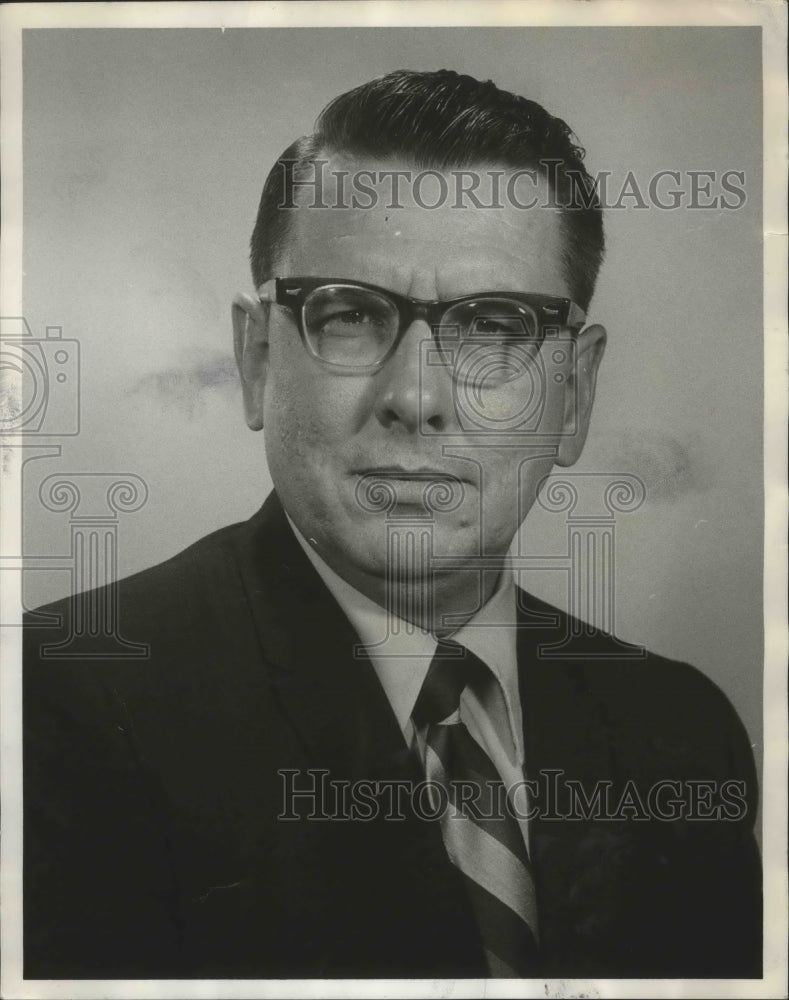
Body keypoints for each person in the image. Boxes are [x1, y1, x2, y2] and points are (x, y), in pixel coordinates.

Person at [24, 69, 761, 980]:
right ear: (258, 361)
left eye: (494, 327)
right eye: (350, 316)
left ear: (573, 394)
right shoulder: (54, 709)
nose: (415, 397)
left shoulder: (680, 732)